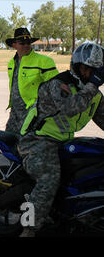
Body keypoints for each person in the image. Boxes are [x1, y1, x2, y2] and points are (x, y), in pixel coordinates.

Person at [17, 42, 104, 237]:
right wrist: (92, 86)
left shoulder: (93, 94)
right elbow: (71, 108)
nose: (92, 74)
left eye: (96, 71)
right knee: (49, 178)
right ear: (77, 66)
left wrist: (91, 88)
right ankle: (28, 228)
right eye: (88, 69)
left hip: (64, 142)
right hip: (38, 140)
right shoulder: (59, 84)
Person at [5, 28, 58, 134]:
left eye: (28, 42)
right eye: (22, 43)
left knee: (25, 143)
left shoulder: (44, 62)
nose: (26, 45)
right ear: (14, 45)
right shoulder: (11, 63)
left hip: (32, 112)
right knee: (8, 141)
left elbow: (56, 85)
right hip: (15, 112)